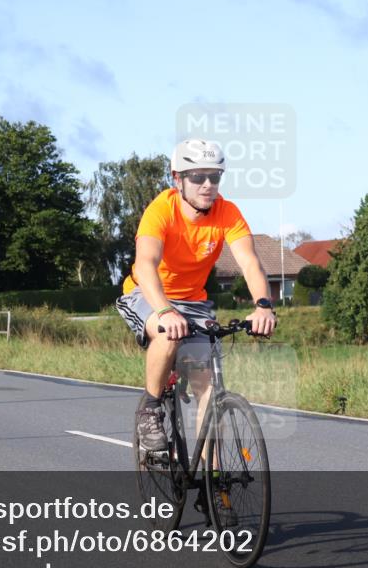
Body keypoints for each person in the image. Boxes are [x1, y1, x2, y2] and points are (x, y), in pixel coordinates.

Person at [116, 139, 277, 454]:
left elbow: (249, 262)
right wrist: (165, 311)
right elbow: (146, 265)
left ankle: (212, 482)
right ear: (177, 179)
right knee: (167, 335)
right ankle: (150, 410)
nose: (207, 185)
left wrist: (262, 306)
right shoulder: (161, 209)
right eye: (197, 177)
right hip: (147, 293)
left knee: (209, 389)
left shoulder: (227, 212)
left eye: (214, 177)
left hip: (193, 301)